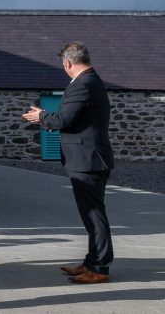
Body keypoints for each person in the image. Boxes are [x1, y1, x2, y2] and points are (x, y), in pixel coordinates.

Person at [23, 41, 114, 284]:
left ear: (68, 63)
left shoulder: (84, 84)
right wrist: (45, 118)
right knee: (91, 214)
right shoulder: (90, 82)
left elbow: (64, 118)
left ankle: (100, 268)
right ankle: (91, 262)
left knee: (94, 216)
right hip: (87, 159)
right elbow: (75, 120)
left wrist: (40, 116)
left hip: (88, 161)